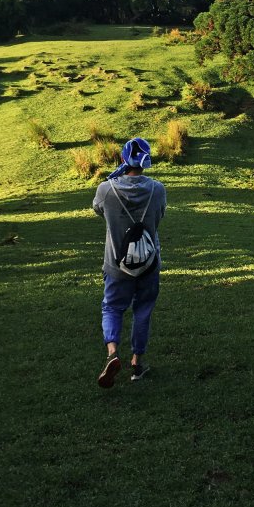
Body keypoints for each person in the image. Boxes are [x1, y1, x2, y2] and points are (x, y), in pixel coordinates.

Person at [93, 137, 167, 388]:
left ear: (124, 159)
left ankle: (112, 352)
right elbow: (160, 216)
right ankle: (137, 362)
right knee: (143, 310)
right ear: (146, 162)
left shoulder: (106, 189)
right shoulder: (158, 189)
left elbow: (97, 209)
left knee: (112, 308)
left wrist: (114, 175)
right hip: (149, 264)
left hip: (116, 266)